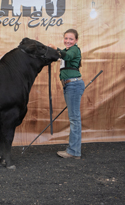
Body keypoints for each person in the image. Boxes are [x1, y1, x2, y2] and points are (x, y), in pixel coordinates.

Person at [48, 29, 85, 159]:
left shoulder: (74, 50)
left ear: (76, 40)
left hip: (73, 85)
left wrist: (56, 48)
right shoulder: (67, 50)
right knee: (74, 118)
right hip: (69, 85)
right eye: (66, 38)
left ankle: (74, 151)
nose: (68, 41)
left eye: (71, 39)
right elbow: (62, 56)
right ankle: (74, 150)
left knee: (74, 119)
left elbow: (67, 56)